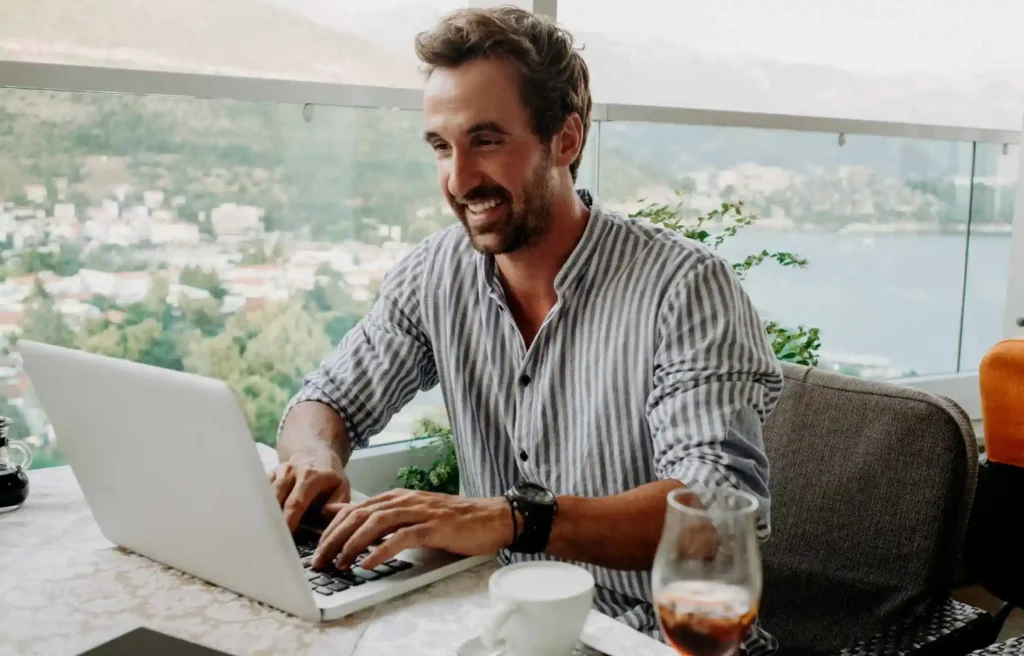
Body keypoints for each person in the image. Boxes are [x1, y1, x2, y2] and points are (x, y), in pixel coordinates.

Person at [270, 6, 783, 653]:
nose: (458, 180)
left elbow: (717, 509)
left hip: (648, 637)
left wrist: (512, 519)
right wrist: (315, 458)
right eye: (441, 146)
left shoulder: (684, 287)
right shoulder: (437, 272)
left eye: (486, 141)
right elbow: (326, 400)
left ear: (565, 140)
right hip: (498, 628)